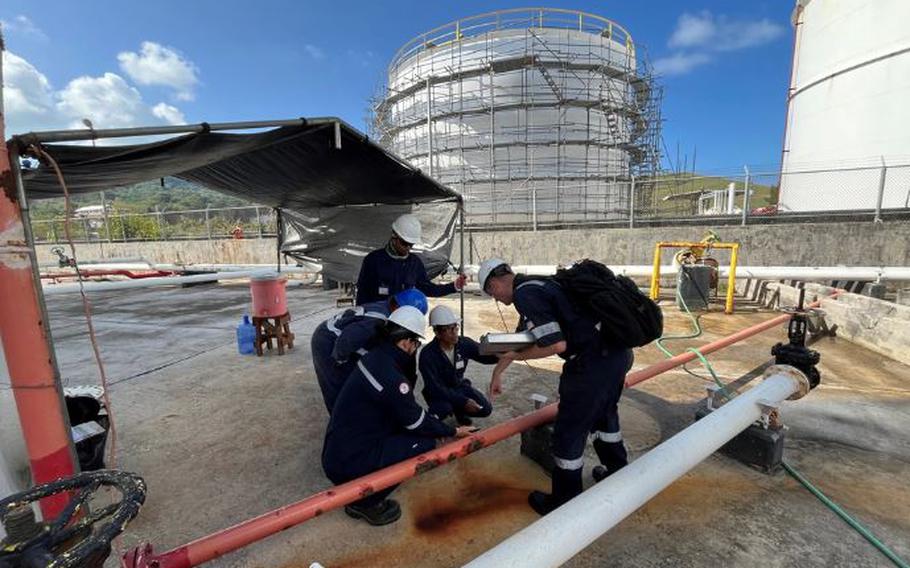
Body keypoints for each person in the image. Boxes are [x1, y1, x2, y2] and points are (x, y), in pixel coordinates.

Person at [478, 258, 633, 516]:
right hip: (617, 355)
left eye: (491, 293)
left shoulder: (526, 295)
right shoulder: (537, 282)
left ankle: (564, 501)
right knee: (605, 415)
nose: (495, 299)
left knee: (569, 432)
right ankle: (617, 472)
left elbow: (556, 344)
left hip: (590, 365)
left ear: (494, 283)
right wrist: (498, 371)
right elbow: (522, 338)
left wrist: (518, 358)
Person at [322, 306, 475, 525]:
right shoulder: (392, 377)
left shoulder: (375, 357)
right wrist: (452, 431)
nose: (416, 349)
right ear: (405, 342)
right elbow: (416, 420)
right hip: (349, 464)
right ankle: (365, 502)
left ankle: (362, 483)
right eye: (416, 343)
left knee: (405, 430)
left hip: (338, 452)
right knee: (423, 444)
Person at [311, 288, 428, 413]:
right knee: (338, 387)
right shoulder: (377, 320)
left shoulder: (388, 310)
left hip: (342, 338)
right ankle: (339, 425)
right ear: (401, 309)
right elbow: (346, 340)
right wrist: (339, 363)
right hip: (327, 341)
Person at [355, 213, 467, 305]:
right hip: (377, 321)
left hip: (403, 320)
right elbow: (362, 294)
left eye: (411, 244)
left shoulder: (414, 263)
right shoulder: (373, 261)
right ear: (394, 237)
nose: (408, 248)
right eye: (405, 243)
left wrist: (453, 286)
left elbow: (428, 288)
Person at [418, 305, 498, 425]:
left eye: (455, 327)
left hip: (459, 387)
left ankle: (459, 411)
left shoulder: (463, 343)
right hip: (438, 393)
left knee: (485, 409)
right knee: (443, 410)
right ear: (437, 333)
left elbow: (485, 356)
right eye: (448, 329)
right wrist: (463, 401)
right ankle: (447, 414)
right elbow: (434, 387)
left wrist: (502, 352)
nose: (454, 332)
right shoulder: (427, 354)